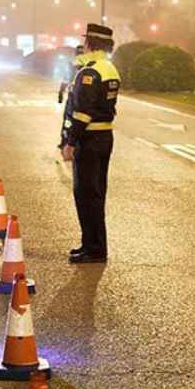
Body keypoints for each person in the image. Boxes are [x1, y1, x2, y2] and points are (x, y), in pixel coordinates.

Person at [61, 24, 120, 264]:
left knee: (85, 194)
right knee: (96, 194)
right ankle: (93, 244)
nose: (83, 44)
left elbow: (82, 113)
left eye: (86, 41)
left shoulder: (90, 72)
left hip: (90, 139)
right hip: (104, 137)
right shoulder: (110, 69)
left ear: (91, 44)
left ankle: (93, 248)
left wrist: (70, 142)